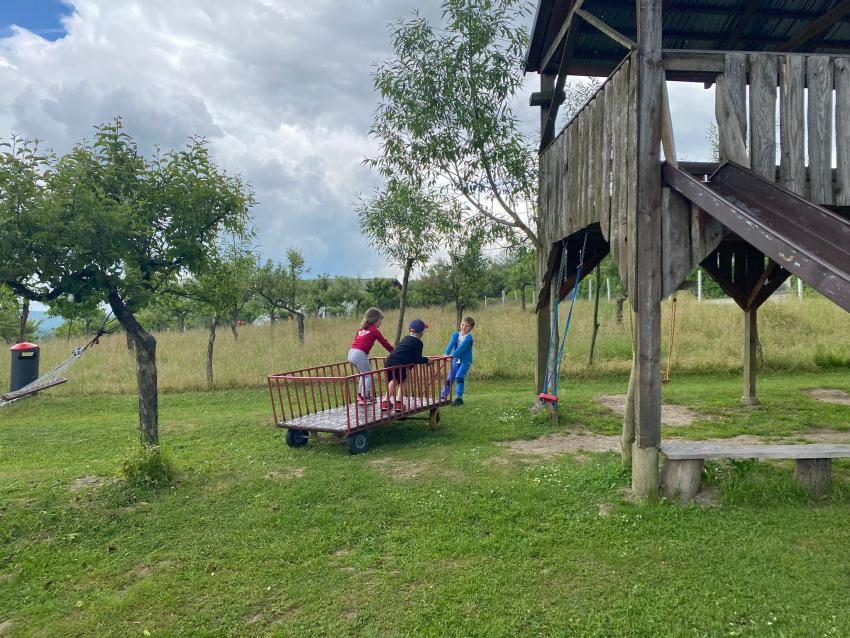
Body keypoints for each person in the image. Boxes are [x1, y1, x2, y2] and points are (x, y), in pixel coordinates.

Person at [348, 307, 394, 405]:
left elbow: (357, 341)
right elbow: (384, 342)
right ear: (376, 319)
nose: (381, 322)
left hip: (351, 353)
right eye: (381, 320)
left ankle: (360, 396)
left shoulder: (361, 329)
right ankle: (365, 397)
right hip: (360, 354)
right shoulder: (374, 330)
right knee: (368, 375)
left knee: (363, 374)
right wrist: (394, 352)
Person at [383, 319, 430, 411]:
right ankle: (399, 403)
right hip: (400, 363)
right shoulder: (418, 343)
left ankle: (385, 402)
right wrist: (427, 360)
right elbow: (417, 359)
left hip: (389, 361)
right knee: (403, 380)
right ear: (421, 332)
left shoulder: (405, 339)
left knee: (394, 380)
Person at [441, 316, 475, 406]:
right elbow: (451, 345)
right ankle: (443, 397)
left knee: (459, 377)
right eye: (462, 325)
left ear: (471, 328)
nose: (464, 327)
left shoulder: (469, 339)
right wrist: (446, 354)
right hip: (455, 361)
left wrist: (451, 356)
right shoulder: (456, 335)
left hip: (465, 362)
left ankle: (458, 398)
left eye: (467, 326)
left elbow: (460, 349)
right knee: (450, 378)